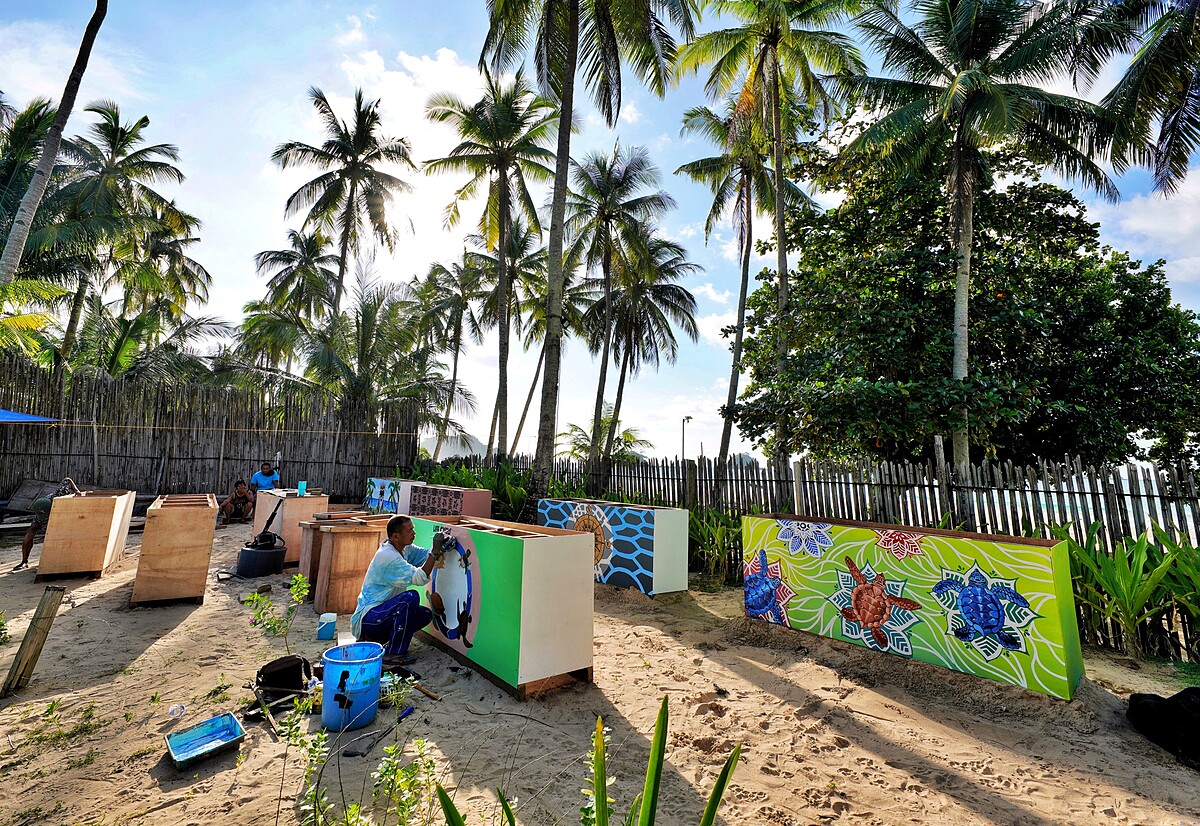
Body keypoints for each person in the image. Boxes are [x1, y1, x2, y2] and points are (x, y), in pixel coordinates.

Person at [350, 515, 435, 666]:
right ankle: (394, 653)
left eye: (413, 529)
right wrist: (435, 553)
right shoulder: (388, 557)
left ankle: (373, 640)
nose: (413, 533)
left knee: (424, 614)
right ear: (396, 536)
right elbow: (420, 578)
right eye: (410, 531)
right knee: (410, 598)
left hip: (381, 613)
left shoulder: (404, 548)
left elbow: (424, 555)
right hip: (369, 616)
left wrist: (440, 548)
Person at [15, 477, 82, 571]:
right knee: (28, 535)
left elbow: (67, 479)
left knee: (54, 539)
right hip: (41, 518)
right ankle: (24, 561)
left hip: (56, 518)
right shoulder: (40, 508)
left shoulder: (60, 495)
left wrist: (76, 490)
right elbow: (40, 517)